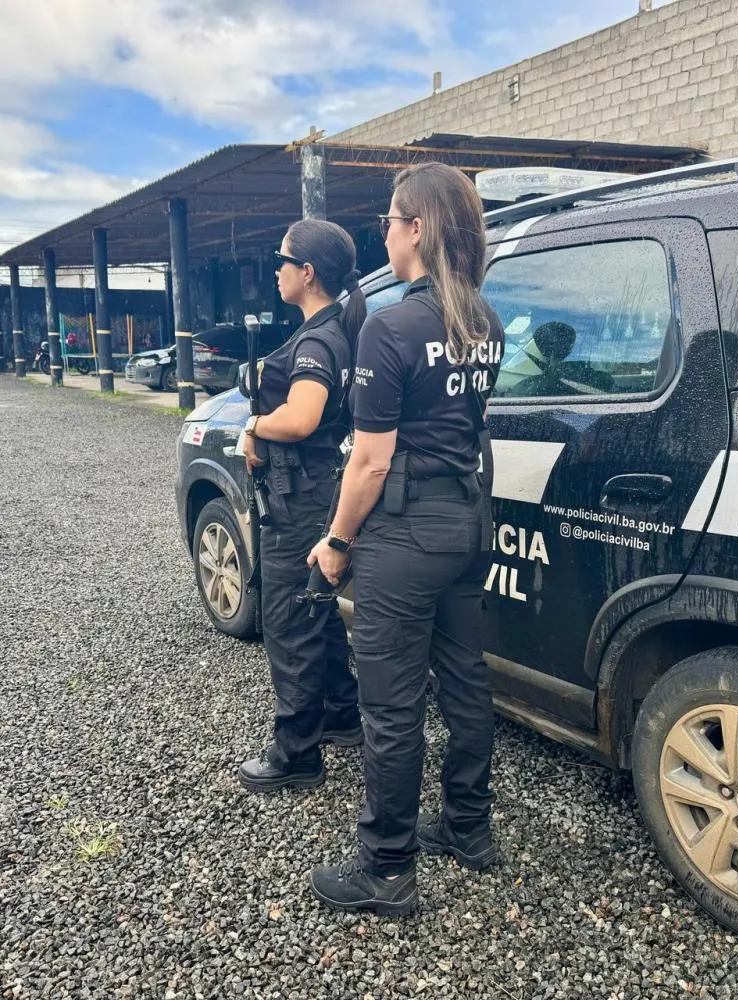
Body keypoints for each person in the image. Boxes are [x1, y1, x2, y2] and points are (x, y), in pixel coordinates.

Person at [305, 162, 505, 915]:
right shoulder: (484, 320)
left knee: (390, 708)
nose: (383, 234)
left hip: (404, 534)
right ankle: (468, 828)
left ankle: (386, 867)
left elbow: (370, 459)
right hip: (465, 525)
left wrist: (334, 542)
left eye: (389, 221)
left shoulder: (392, 326)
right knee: (465, 681)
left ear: (415, 229)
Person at [237, 219, 366, 793]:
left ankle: (297, 754)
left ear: (307, 272)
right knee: (315, 608)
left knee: (289, 624)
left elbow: (303, 417)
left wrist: (253, 425)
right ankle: (341, 712)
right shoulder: (337, 327)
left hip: (299, 498)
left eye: (281, 258)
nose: (275, 268)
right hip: (316, 489)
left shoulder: (316, 339)